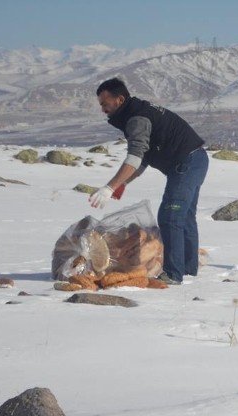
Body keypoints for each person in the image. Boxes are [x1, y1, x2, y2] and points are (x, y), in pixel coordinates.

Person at [89, 77, 208, 285]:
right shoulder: (136, 112)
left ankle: (173, 273)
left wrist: (109, 187)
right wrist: (122, 183)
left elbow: (134, 158)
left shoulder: (137, 119)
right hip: (195, 159)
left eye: (104, 104)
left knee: (170, 215)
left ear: (119, 99)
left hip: (187, 162)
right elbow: (143, 159)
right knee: (184, 216)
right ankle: (188, 268)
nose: (103, 109)